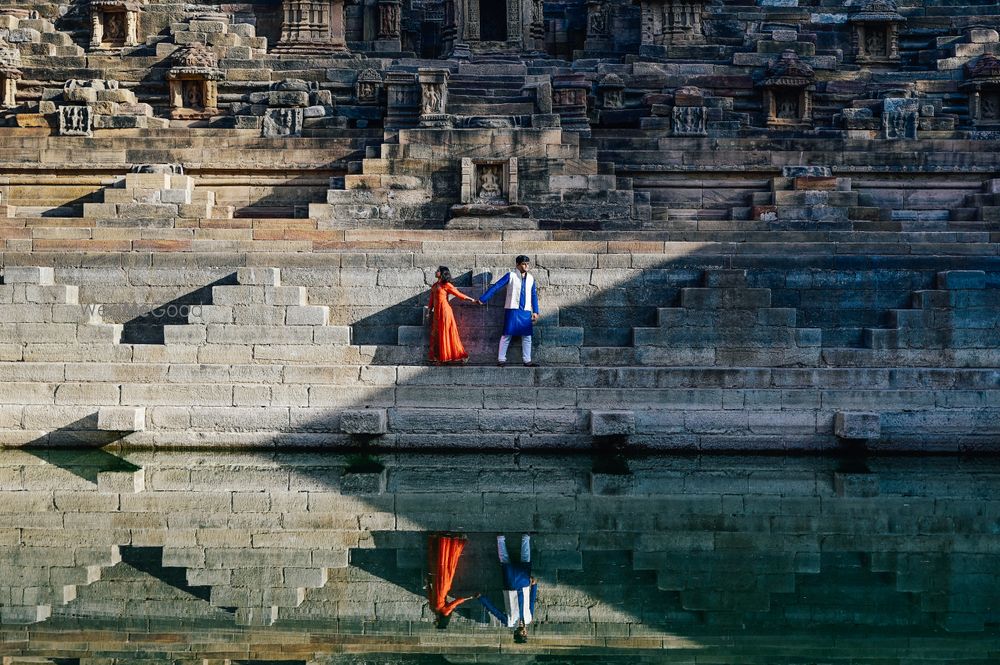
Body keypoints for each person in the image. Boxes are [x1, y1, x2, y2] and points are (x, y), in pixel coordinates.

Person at [478, 256, 539, 368]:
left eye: (528, 264)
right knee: (507, 335)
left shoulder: (531, 278)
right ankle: (501, 360)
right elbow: (496, 286)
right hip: (512, 309)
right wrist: (483, 299)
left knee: (527, 337)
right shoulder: (510, 275)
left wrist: (536, 311)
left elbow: (534, 295)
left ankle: (527, 361)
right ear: (517, 265)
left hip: (525, 311)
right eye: (524, 264)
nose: (526, 266)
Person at [477, 534, 537, 643]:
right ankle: (526, 538)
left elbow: (494, 611)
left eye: (521, 635)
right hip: (524, 587)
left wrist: (482, 599)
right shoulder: (529, 618)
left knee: (505, 562)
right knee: (525, 561)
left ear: (516, 633)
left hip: (511, 587)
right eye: (525, 635)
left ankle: (500, 539)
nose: (523, 633)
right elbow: (532, 602)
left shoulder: (509, 622)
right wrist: (534, 586)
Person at [428, 266, 478, 365]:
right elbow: (431, 301)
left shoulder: (447, 285)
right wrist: (428, 311)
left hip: (445, 313)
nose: (436, 272)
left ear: (442, 273)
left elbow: (458, 294)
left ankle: (463, 356)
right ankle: (439, 358)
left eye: (438, 271)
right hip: (437, 314)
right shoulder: (434, 285)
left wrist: (471, 299)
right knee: (436, 336)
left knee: (447, 334)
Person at [426, 532, 473, 629]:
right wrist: (428, 583)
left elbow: (456, 602)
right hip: (439, 585)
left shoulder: (440, 611)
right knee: (441, 564)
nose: (435, 621)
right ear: (439, 621)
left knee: (446, 565)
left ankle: (449, 542)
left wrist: (471, 597)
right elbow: (430, 593)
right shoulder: (439, 610)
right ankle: (444, 541)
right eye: (436, 622)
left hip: (442, 586)